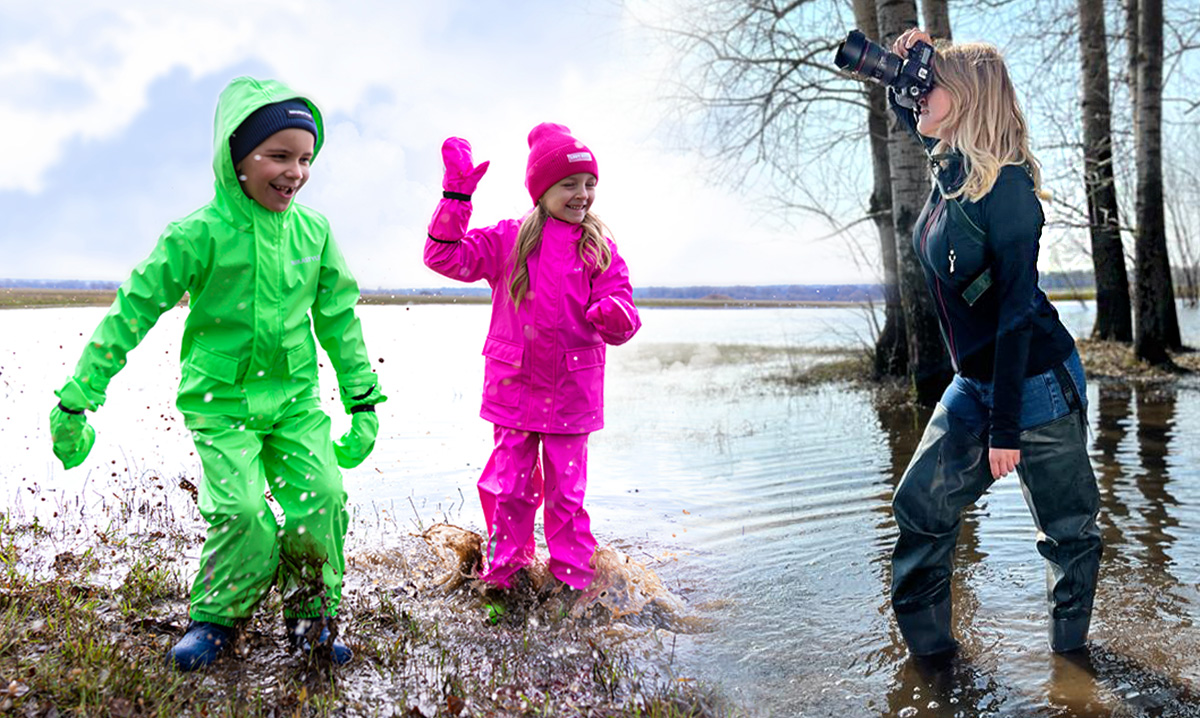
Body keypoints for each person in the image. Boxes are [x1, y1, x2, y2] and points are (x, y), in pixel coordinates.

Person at [48, 76, 384, 670]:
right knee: (244, 511)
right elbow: (134, 310)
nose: (295, 172)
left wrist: (362, 399)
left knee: (323, 495)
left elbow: (338, 319)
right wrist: (80, 395)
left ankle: (310, 616)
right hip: (220, 402)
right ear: (236, 157)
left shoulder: (314, 232)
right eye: (278, 156)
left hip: (296, 400)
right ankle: (217, 620)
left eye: (305, 158)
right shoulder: (196, 235)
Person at [885, 30, 1102, 656]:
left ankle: (1071, 662)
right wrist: (908, 68)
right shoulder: (949, 168)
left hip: (1034, 384)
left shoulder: (1007, 191)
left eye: (934, 87)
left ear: (970, 98)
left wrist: (1004, 429)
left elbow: (1011, 318)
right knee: (920, 509)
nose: (920, 98)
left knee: (1067, 532)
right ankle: (932, 663)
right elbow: (913, 110)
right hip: (977, 381)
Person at [423, 123, 640, 594]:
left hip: (571, 395)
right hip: (514, 389)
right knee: (510, 490)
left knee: (567, 496)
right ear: (541, 190)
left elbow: (625, 310)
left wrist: (613, 314)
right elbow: (443, 258)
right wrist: (456, 197)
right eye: (569, 185)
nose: (582, 194)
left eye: (589, 185)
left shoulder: (598, 248)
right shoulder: (508, 239)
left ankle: (572, 583)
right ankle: (507, 577)